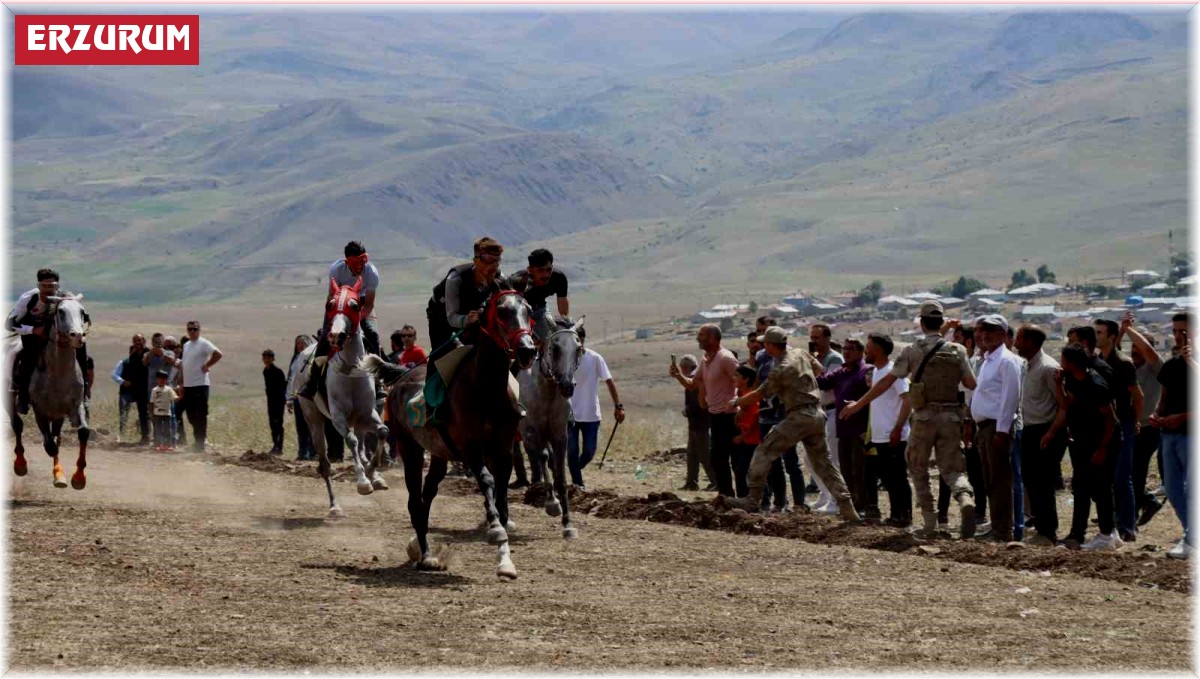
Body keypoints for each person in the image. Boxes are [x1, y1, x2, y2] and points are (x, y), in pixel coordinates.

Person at [841, 301, 978, 539]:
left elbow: (886, 383)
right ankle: (965, 498)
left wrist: (858, 405)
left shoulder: (912, 350)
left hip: (924, 418)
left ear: (922, 323)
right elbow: (971, 384)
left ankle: (929, 522)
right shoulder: (958, 351)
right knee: (953, 468)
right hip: (951, 417)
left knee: (918, 468)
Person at [725, 327, 860, 521]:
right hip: (817, 413)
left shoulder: (780, 369)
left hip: (798, 416)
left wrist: (736, 402)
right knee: (824, 463)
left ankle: (752, 499)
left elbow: (760, 393)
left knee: (764, 451)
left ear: (771, 346)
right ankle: (847, 506)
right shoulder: (800, 352)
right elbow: (819, 369)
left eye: (765, 344)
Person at [300, 241, 383, 399]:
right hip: (338, 306)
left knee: (373, 335)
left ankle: (378, 383)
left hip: (361, 305)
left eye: (362, 261)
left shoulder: (371, 272)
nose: (360, 266)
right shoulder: (336, 270)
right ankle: (313, 382)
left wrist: (356, 320)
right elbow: (332, 297)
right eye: (356, 262)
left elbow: (370, 304)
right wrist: (335, 322)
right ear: (347, 261)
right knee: (326, 336)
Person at [1060, 343, 1123, 551]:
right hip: (1083, 442)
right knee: (1081, 486)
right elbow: (1069, 404)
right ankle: (1077, 534)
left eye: (1064, 360)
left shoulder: (1096, 384)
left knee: (1101, 487)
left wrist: (1102, 448)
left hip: (1103, 442)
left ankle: (1106, 535)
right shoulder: (1071, 379)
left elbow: (1111, 420)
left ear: (1072, 363)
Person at [6, 268, 90, 416]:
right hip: (31, 332)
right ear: (38, 286)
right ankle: (23, 396)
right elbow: (9, 324)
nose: (47, 290)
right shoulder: (28, 299)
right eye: (44, 286)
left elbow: (76, 314)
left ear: (57, 286)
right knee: (28, 357)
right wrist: (33, 330)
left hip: (56, 333)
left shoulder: (64, 298)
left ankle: (84, 392)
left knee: (81, 347)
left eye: (51, 286)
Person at [969, 315, 1023, 543]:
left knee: (1000, 481)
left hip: (996, 428)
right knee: (991, 480)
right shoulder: (988, 360)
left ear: (1003, 334)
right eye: (983, 330)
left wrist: (1002, 431)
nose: (986, 335)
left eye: (991, 330)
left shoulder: (1006, 361)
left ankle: (1003, 531)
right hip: (984, 427)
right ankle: (997, 526)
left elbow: (1010, 398)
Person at [1013, 325, 1068, 546]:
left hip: (1045, 430)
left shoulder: (1047, 368)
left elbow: (1063, 406)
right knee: (1031, 480)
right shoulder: (1028, 366)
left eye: (1019, 339)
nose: (1015, 343)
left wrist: (1051, 433)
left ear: (1031, 342)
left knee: (1043, 483)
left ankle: (1048, 532)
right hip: (1029, 430)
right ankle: (1041, 526)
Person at [1095, 318, 1143, 542]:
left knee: (1122, 477)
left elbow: (1137, 395)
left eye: (1100, 333)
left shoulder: (1123, 363)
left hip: (1123, 422)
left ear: (1111, 337)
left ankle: (1128, 526)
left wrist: (1135, 421)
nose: (1096, 337)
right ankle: (1115, 523)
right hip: (1105, 424)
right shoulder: (1097, 361)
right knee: (1108, 477)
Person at [815, 338, 872, 517]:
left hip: (860, 430)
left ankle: (864, 506)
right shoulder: (841, 371)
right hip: (843, 429)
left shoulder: (866, 371)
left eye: (851, 349)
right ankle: (850, 506)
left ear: (860, 352)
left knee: (860, 470)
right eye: (845, 348)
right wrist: (810, 364)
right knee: (845, 469)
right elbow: (822, 382)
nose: (846, 352)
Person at [1152, 313, 1192, 559]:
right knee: (1173, 489)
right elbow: (1163, 400)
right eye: (1176, 331)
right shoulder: (1171, 366)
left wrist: (1183, 417)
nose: (1178, 336)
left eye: (1184, 331)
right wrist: (1158, 415)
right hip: (1169, 435)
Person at [1119, 312, 1165, 527]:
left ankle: (1130, 517)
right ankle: (1140, 505)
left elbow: (1148, 350)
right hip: (1127, 425)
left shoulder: (1156, 368)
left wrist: (1129, 331)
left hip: (1147, 428)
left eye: (1138, 348)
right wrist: (1120, 332)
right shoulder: (1128, 368)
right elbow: (1114, 353)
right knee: (1123, 471)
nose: (1135, 352)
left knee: (1135, 473)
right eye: (1133, 349)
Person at [864, 333, 912, 528]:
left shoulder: (894, 372)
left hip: (894, 435)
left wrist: (898, 428)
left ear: (878, 350)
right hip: (880, 436)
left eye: (868, 347)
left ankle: (905, 516)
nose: (865, 350)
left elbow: (907, 400)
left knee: (898, 477)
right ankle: (895, 515)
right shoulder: (877, 371)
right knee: (888, 478)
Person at [427, 236, 506, 356]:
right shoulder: (455, 279)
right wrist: (467, 320)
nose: (494, 266)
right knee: (442, 356)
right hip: (442, 316)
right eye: (489, 260)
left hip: (472, 314)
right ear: (476, 261)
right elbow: (452, 317)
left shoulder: (500, 278)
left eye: (497, 260)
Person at [567, 326, 624, 490]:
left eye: (578, 340)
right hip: (569, 414)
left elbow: (609, 381)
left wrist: (618, 406)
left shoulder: (595, 358)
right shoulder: (564, 359)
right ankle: (578, 484)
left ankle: (573, 470)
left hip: (591, 414)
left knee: (589, 452)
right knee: (571, 451)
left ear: (583, 340)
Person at [694, 323, 740, 497]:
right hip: (715, 415)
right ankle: (726, 495)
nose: (698, 338)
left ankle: (740, 496)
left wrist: (737, 402)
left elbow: (742, 381)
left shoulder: (725, 358)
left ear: (713, 338)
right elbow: (694, 382)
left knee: (733, 459)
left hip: (729, 415)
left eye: (702, 335)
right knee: (718, 459)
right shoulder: (706, 359)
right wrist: (678, 375)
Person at [809, 323, 845, 514]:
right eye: (812, 338)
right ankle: (824, 494)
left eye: (817, 338)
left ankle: (836, 500)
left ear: (827, 338)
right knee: (810, 457)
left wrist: (814, 368)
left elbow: (826, 383)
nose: (814, 341)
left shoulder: (835, 359)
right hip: (818, 411)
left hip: (831, 410)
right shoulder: (815, 358)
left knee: (832, 458)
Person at [670, 354, 715, 491]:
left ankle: (716, 481)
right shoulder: (693, 377)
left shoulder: (694, 379)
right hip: (696, 423)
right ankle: (691, 482)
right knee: (693, 454)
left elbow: (697, 402)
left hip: (700, 423)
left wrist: (687, 411)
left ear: (685, 367)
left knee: (704, 455)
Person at [506, 248, 569, 346]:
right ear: (530, 270)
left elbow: (563, 305)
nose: (545, 274)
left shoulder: (558, 279)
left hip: (540, 309)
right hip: (518, 313)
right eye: (540, 270)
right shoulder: (518, 282)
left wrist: (565, 327)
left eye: (549, 269)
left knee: (550, 341)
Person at [180, 321, 222, 453]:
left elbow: (218, 354)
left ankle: (200, 442)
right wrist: (181, 383)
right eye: (190, 329)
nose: (192, 331)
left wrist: (207, 365)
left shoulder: (203, 343)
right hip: (188, 385)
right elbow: (184, 364)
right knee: (190, 414)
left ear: (199, 330)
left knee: (200, 414)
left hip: (200, 384)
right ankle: (198, 439)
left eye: (195, 329)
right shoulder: (186, 345)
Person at [732, 365, 761, 499]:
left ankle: (751, 499)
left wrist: (742, 436)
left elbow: (756, 420)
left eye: (737, 376)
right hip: (746, 440)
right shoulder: (742, 395)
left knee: (746, 471)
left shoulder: (751, 396)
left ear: (746, 379)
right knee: (742, 471)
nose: (734, 378)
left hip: (754, 440)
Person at [287, 335, 316, 461]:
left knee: (312, 425)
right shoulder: (295, 360)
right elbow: (292, 381)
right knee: (300, 426)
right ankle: (302, 453)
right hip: (297, 396)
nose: (299, 345)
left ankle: (313, 452)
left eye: (302, 343)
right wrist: (290, 398)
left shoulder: (312, 357)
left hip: (310, 397)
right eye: (297, 343)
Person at [262, 349, 288, 456]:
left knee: (278, 423)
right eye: (265, 358)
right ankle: (275, 445)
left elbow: (283, 387)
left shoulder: (278, 371)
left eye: (269, 358)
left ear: (273, 359)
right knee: (272, 423)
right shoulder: (265, 371)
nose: (266, 360)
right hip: (270, 401)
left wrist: (284, 401)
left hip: (279, 401)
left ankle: (279, 447)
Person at [149, 370, 179, 451]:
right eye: (160, 378)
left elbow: (175, 398)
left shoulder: (169, 390)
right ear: (157, 379)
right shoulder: (154, 390)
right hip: (157, 413)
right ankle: (157, 444)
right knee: (157, 429)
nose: (162, 380)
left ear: (166, 380)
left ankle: (167, 444)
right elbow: (151, 402)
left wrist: (180, 393)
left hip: (166, 413)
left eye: (164, 379)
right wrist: (151, 414)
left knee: (167, 429)